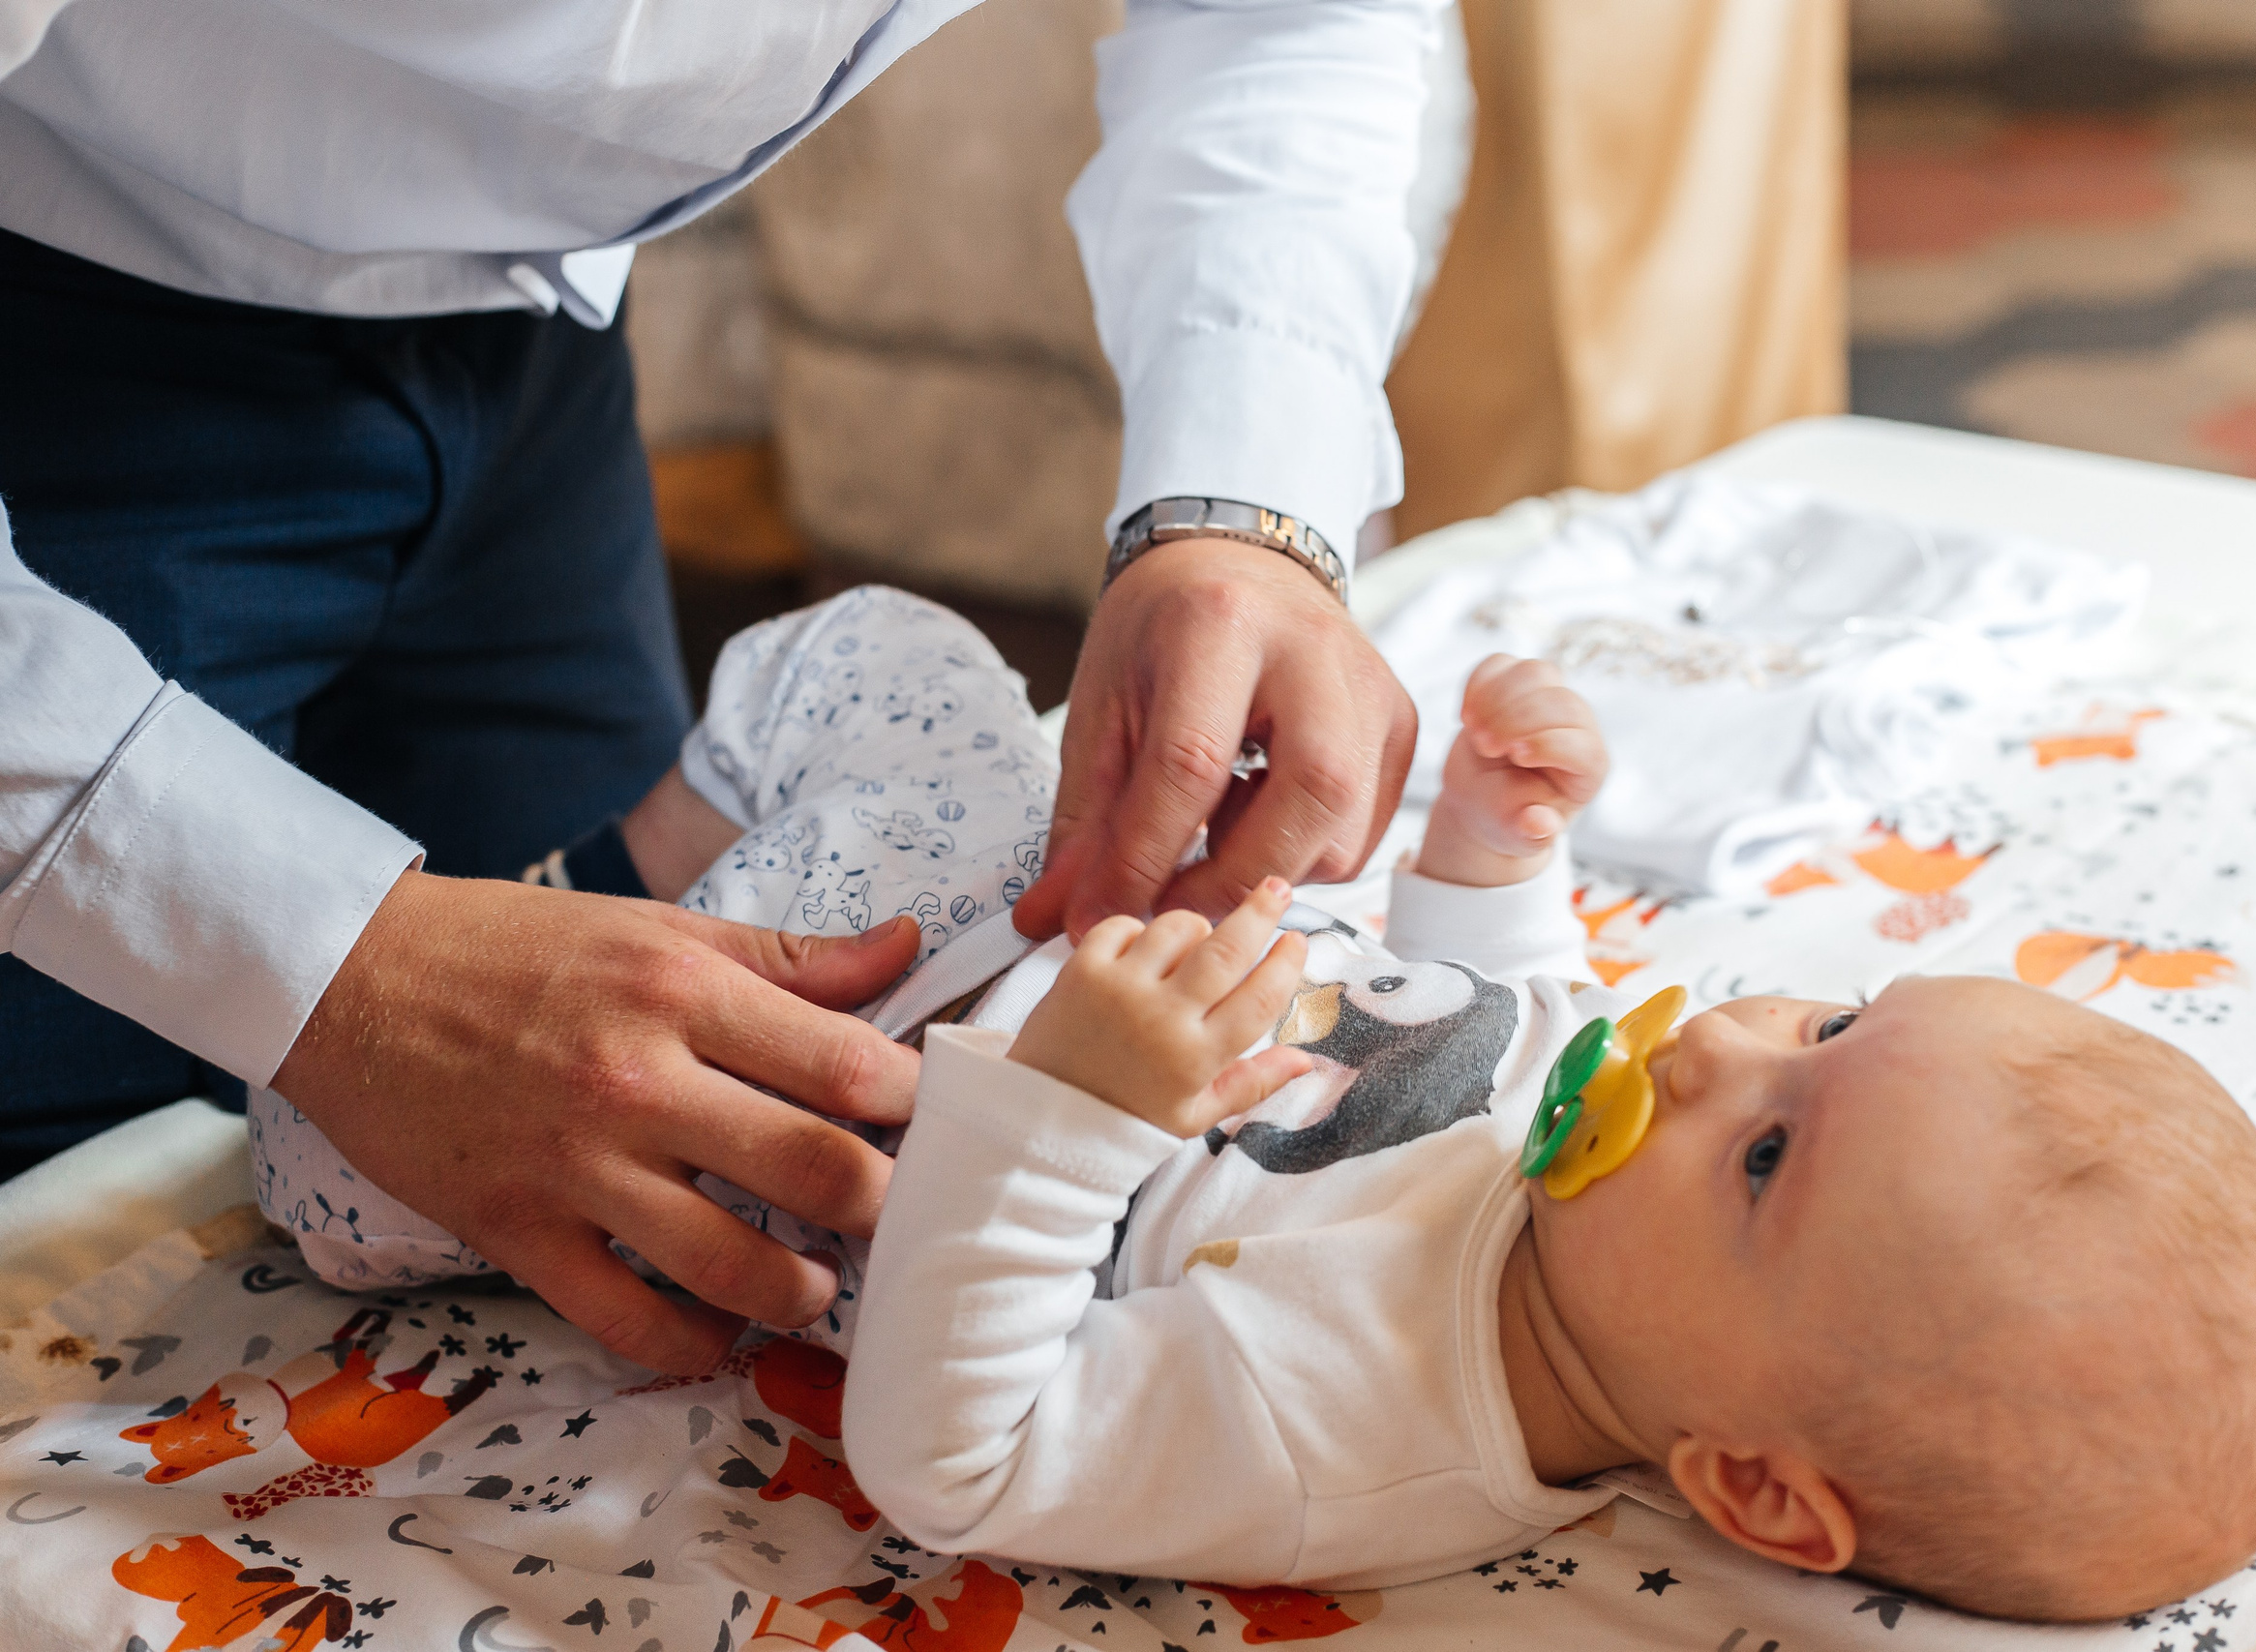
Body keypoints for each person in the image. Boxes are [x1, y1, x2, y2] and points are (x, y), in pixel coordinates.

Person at [257, 594, 2256, 1619]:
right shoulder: (1593, 1203)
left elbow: (954, 1452)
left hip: (743, 1105)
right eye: (1830, 1015)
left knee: (323, 1157)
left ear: (1751, 1487)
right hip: (963, 906)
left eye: (1772, 1151)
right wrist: (1490, 843)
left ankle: (585, 923)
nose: (1717, 1046)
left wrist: (1064, 1122)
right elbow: (1490, 1007)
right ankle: (614, 871)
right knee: (887, 654)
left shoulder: (1347, 1417)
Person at [0, 0, 1430, 1371]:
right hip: (66, 339)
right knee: (78, 1223)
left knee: (473, 1151)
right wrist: (333, 968)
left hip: (531, 328)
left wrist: (1248, 512)